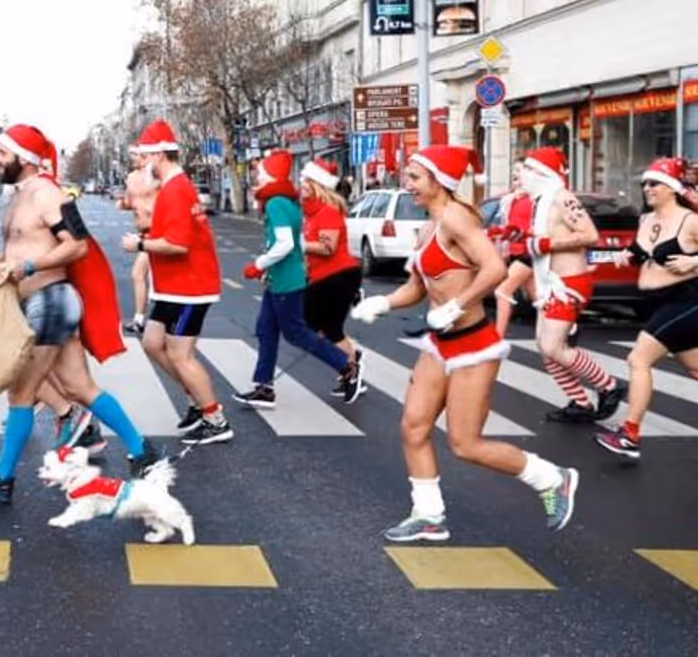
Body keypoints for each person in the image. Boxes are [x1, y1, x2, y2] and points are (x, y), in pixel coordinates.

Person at [351, 144, 578, 541]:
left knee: (465, 444)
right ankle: (428, 515)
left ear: (440, 181)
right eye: (407, 176)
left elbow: (494, 268)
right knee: (413, 427)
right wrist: (383, 302)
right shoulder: (428, 227)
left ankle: (552, 478)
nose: (408, 184)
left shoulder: (456, 219)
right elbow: (417, 287)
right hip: (439, 344)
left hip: (473, 345)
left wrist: (457, 305)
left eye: (415, 178)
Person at [0, 125, 158, 502]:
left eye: (2, 153)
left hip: (50, 301)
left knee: (21, 389)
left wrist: (29, 267)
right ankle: (141, 451)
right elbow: (26, 245)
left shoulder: (48, 194)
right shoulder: (21, 194)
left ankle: (2, 477)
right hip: (41, 302)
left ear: (24, 158)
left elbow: (77, 246)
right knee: (81, 387)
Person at [121, 120, 230, 446]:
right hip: (173, 286)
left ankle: (215, 418)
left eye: (145, 156)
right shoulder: (173, 187)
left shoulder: (176, 190)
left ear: (158, 155)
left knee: (181, 355)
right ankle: (197, 399)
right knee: (152, 342)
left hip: (190, 288)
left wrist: (140, 244)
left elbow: (178, 244)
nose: (142, 163)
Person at [234, 152, 362, 409]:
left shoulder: (276, 203)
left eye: (261, 172)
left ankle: (347, 366)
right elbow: (295, 244)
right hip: (280, 277)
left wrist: (259, 265)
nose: (257, 176)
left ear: (271, 176)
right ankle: (264, 387)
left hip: (287, 280)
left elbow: (285, 244)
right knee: (266, 329)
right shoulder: (289, 204)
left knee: (296, 333)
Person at [597, 158, 698, 460]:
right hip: (657, 303)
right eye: (645, 183)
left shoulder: (690, 221)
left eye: (655, 183)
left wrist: (694, 261)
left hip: (686, 301)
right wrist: (625, 257)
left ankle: (629, 434)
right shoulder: (646, 219)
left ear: (673, 188)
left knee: (638, 359)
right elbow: (640, 252)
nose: (647, 188)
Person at [518, 148, 625, 423]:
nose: (523, 174)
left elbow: (590, 234)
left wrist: (547, 244)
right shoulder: (540, 201)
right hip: (550, 283)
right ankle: (581, 403)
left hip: (569, 283)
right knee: (545, 348)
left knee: (553, 346)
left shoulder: (562, 198)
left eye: (529, 169)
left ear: (544, 173)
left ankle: (609, 385)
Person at [298, 159, 366, 397]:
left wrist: (297, 244)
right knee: (324, 328)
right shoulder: (312, 214)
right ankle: (351, 361)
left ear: (318, 185)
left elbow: (328, 247)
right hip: (324, 277)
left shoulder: (328, 212)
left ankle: (351, 367)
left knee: (321, 328)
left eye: (306, 181)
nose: (301, 185)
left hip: (338, 276)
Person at [488, 161, 537, 338]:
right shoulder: (511, 199)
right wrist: (499, 234)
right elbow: (510, 226)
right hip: (516, 251)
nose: (515, 173)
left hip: (529, 252)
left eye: (519, 170)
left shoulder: (534, 199)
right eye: (514, 170)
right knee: (538, 298)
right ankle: (567, 328)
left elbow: (537, 227)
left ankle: (497, 337)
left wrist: (522, 233)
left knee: (502, 291)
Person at [119, 145, 157, 337]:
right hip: (145, 232)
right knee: (141, 275)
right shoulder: (132, 177)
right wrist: (123, 203)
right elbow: (130, 202)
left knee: (139, 274)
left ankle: (144, 320)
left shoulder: (156, 175)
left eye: (134, 154)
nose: (132, 158)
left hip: (156, 232)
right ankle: (141, 319)